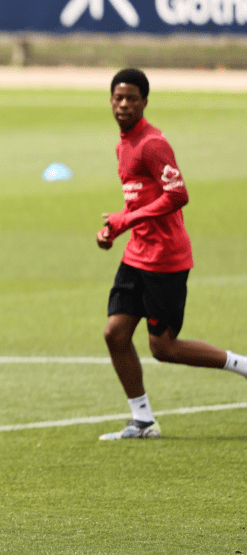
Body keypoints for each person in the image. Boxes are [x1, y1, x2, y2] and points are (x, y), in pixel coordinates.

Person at [97, 68, 247, 440]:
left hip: (165, 258)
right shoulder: (123, 145)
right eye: (118, 97)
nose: (124, 104)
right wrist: (115, 228)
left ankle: (243, 365)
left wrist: (126, 219)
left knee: (163, 348)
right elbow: (137, 201)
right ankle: (143, 421)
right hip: (136, 254)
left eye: (132, 98)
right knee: (115, 334)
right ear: (110, 101)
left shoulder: (152, 144)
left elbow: (178, 195)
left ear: (145, 102)